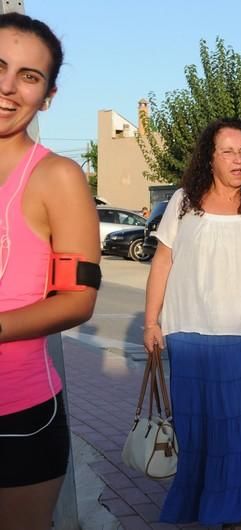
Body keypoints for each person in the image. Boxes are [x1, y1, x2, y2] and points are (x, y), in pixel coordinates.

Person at [142, 118, 241, 529]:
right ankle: (203, 506)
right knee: (196, 432)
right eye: (228, 151)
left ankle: (232, 516)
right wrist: (150, 322)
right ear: (209, 158)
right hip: (188, 336)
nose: (238, 159)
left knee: (236, 432)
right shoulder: (182, 202)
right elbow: (162, 262)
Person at [0, 13, 101, 530]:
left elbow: (77, 299)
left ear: (49, 95)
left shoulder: (56, 177)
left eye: (29, 76)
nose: (7, 87)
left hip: (17, 416)